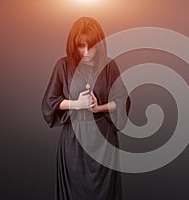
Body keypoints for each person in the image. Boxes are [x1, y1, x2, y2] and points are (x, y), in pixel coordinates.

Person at [41, 17, 130, 200]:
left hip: (104, 142)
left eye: (92, 46)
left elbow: (122, 100)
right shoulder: (63, 66)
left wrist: (98, 108)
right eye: (81, 46)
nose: (87, 52)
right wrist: (76, 104)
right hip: (74, 142)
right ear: (74, 45)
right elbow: (49, 103)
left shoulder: (109, 66)